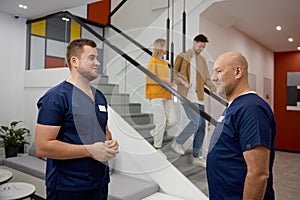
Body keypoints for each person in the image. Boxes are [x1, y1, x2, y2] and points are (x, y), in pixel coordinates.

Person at [34, 38, 119, 200]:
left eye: (97, 58)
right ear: (75, 61)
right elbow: (42, 147)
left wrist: (110, 143)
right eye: (92, 58)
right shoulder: (56, 97)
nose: (98, 63)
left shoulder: (99, 96)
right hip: (68, 187)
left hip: (99, 183)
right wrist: (89, 150)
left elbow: (105, 131)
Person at [207, 51, 276, 199]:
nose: (213, 78)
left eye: (219, 71)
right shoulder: (235, 106)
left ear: (238, 72)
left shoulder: (251, 108)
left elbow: (258, 174)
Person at [171, 34, 216, 167]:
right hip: (186, 95)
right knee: (195, 122)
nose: (201, 48)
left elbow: (207, 78)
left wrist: (216, 91)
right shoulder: (182, 56)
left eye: (203, 47)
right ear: (194, 42)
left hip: (199, 97)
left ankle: (197, 156)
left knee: (202, 126)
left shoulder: (202, 60)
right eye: (200, 45)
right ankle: (178, 142)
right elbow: (174, 73)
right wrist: (183, 83)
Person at [146, 38, 177, 153]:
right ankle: (157, 147)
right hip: (156, 94)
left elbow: (166, 79)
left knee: (173, 120)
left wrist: (171, 82)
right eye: (165, 46)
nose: (167, 49)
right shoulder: (153, 61)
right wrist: (166, 80)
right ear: (159, 47)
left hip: (166, 94)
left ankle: (154, 133)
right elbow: (151, 77)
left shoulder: (164, 63)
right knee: (161, 121)